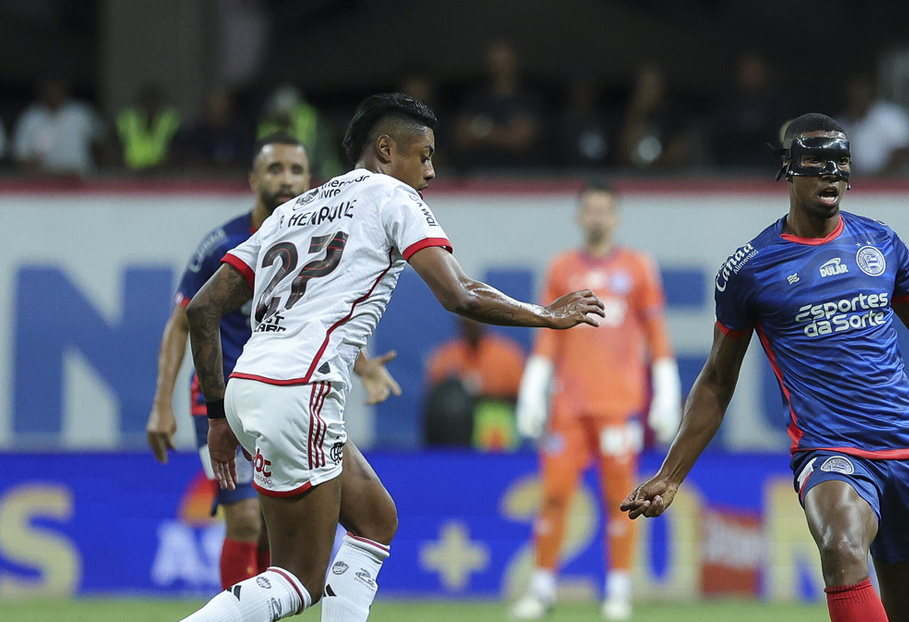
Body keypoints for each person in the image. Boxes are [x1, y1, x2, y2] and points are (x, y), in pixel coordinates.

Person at [179, 92, 604, 622]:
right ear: (385, 149)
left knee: (376, 520)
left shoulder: (292, 210)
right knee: (296, 581)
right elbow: (460, 294)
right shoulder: (391, 196)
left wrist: (219, 416)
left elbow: (203, 309)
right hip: (301, 389)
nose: (430, 169)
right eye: (423, 154)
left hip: (249, 388)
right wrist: (545, 314)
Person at [621, 114, 909, 622]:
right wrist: (671, 475)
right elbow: (718, 380)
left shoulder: (881, 244)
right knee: (841, 545)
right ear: (788, 171)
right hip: (829, 451)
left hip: (907, 449)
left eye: (841, 164)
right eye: (815, 163)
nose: (830, 175)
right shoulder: (750, 269)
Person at [146, 132, 402, 591]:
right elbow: (184, 319)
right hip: (222, 397)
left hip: (285, 393)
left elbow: (317, 317)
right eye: (275, 169)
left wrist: (365, 367)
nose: (287, 180)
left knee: (270, 524)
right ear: (253, 179)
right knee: (244, 520)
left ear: (311, 179)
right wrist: (161, 403)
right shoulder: (222, 243)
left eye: (297, 170)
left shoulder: (316, 239)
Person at [512, 180, 680, 621]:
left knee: (620, 501)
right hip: (568, 408)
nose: (597, 217)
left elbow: (656, 337)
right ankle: (542, 589)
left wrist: (666, 393)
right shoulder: (561, 268)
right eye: (590, 209)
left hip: (618, 407)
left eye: (605, 210)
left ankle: (619, 592)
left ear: (616, 215)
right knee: (553, 497)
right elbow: (547, 335)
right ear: (579, 215)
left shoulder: (639, 268)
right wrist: (533, 390)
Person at [424, 317, 526, 451]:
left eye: (475, 321)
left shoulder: (506, 354)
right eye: (466, 322)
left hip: (493, 418)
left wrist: (480, 396)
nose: (471, 326)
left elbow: (518, 396)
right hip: (455, 423)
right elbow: (434, 395)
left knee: (491, 417)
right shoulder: (446, 355)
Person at [454, 40, 545, 169]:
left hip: (520, 176)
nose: (499, 66)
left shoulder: (529, 100)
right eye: (495, 61)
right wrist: (506, 133)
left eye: (504, 61)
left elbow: (520, 141)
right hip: (479, 175)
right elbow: (463, 138)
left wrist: (481, 131)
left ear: (515, 62)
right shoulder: (475, 100)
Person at [12, 77, 107, 178]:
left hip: (81, 180)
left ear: (65, 90)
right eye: (49, 88)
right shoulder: (31, 117)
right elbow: (21, 156)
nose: (53, 92)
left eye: (57, 88)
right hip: (44, 184)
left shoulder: (81, 114)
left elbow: (101, 145)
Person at [837, 74, 909, 178]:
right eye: (854, 91)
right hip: (856, 183)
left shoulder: (891, 117)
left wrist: (880, 179)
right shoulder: (842, 123)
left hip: (891, 182)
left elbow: (901, 152)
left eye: (861, 90)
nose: (857, 95)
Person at [116, 84, 181, 171]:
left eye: (153, 102)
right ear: (139, 104)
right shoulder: (127, 120)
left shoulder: (169, 121)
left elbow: (177, 150)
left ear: (159, 104)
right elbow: (116, 148)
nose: (149, 106)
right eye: (146, 102)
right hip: (131, 173)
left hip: (162, 173)